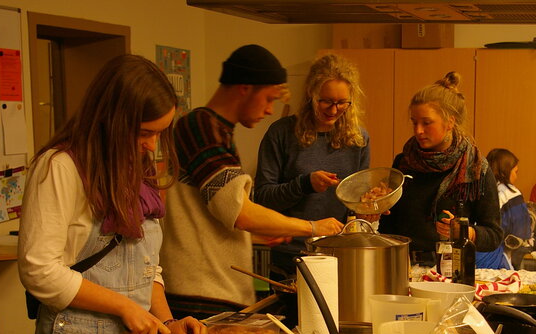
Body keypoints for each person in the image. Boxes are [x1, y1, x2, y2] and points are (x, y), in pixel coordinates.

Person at [17, 55, 207, 334]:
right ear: (112, 121)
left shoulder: (136, 168)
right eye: (145, 133)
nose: (151, 145)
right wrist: (123, 306)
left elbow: (145, 266)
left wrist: (166, 322)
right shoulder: (60, 168)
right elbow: (39, 270)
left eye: (159, 134)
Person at [161, 45, 343, 307]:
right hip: (200, 295)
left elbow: (212, 212)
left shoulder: (217, 130)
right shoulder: (200, 126)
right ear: (244, 88)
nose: (270, 110)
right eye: (269, 98)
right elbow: (241, 212)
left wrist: (252, 236)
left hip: (215, 290)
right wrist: (313, 227)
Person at [254, 54, 369, 278]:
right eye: (326, 101)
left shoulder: (358, 139)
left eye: (342, 103)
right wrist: (304, 184)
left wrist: (371, 208)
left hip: (338, 254)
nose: (334, 110)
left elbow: (357, 204)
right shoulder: (281, 133)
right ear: (311, 94)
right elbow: (262, 197)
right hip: (290, 256)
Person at [379, 72, 503, 267]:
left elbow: (494, 235)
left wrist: (465, 231)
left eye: (426, 123)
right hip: (403, 268)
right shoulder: (404, 162)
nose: (418, 130)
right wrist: (375, 209)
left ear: (450, 122)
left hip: (451, 270)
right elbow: (388, 227)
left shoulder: (475, 167)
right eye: (414, 122)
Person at [476, 148, 531, 270]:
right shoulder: (511, 193)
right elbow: (522, 232)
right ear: (505, 172)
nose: (516, 177)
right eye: (516, 172)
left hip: (468, 253)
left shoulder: (478, 187)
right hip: (491, 257)